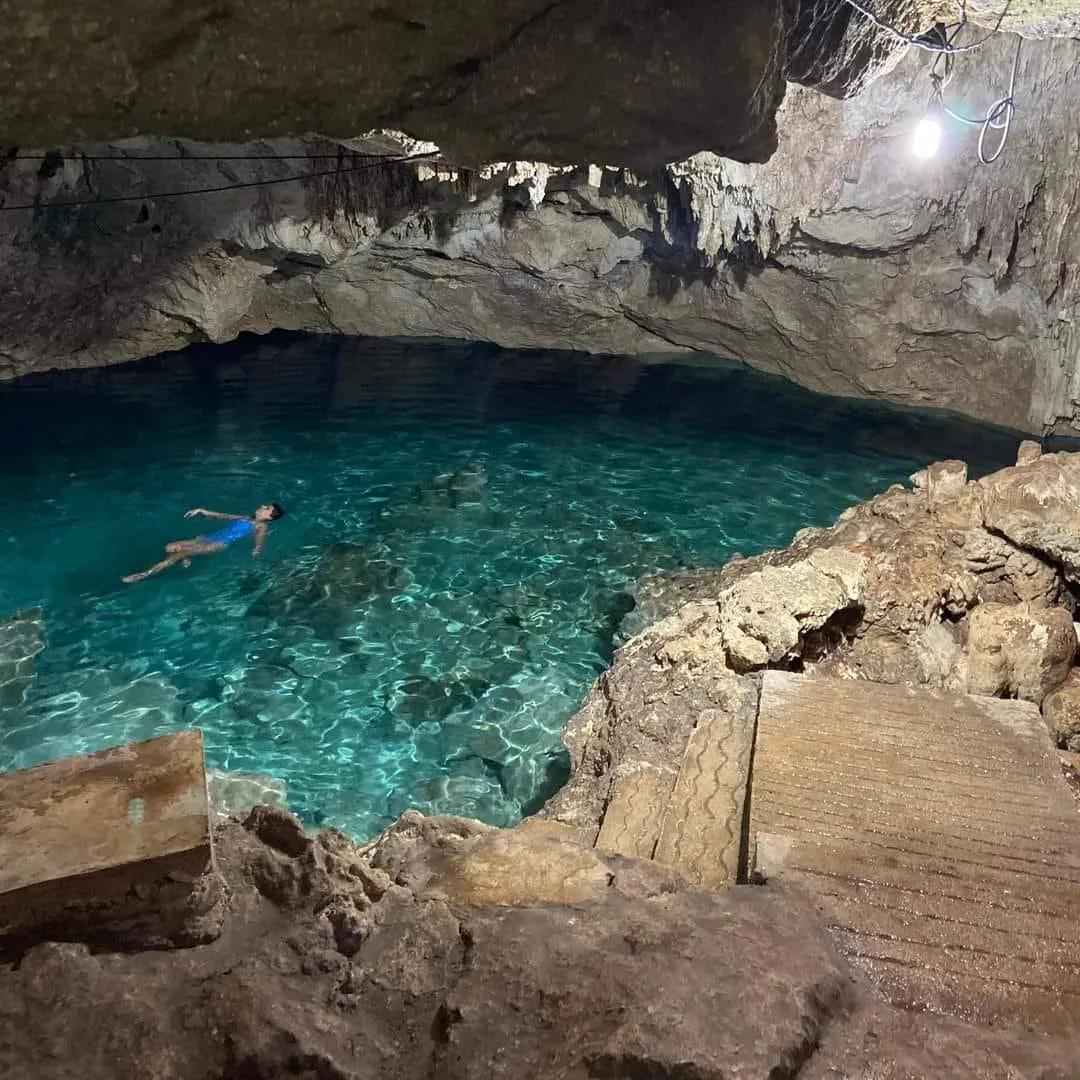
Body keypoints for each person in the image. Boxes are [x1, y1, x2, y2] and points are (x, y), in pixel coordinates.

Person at [121, 504, 285, 584]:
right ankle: (185, 558)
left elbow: (260, 538)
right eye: (264, 506)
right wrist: (202, 511)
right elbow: (223, 516)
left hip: (218, 544)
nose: (262, 507)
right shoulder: (245, 517)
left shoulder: (261, 526)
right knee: (169, 547)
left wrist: (257, 548)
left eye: (266, 508)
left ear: (269, 517)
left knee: (178, 553)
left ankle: (144, 575)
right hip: (208, 537)